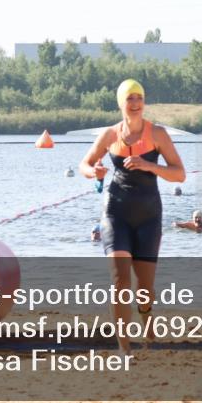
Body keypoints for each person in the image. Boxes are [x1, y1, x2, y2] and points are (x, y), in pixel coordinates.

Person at [79, 79, 186, 354]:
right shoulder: (110, 135)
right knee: (120, 281)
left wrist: (149, 164)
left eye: (139, 98)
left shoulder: (158, 134)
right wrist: (95, 172)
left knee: (144, 288)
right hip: (116, 212)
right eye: (130, 98)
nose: (135, 103)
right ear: (121, 103)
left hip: (149, 215)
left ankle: (147, 317)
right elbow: (85, 164)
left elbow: (179, 173)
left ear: (144, 102)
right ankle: (124, 348)